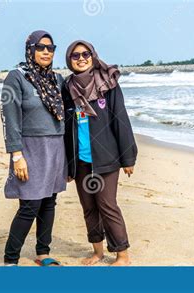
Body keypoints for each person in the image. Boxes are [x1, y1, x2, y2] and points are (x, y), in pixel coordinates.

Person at [62, 40, 138, 266]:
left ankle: (122, 254)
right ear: (69, 60)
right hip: (81, 160)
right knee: (89, 207)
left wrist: (128, 157)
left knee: (107, 205)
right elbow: (66, 129)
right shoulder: (68, 87)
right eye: (75, 56)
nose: (81, 58)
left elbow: (120, 120)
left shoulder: (108, 83)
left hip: (106, 159)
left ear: (93, 55)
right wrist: (69, 164)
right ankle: (97, 252)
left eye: (85, 54)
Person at [0, 30, 66, 266]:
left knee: (49, 201)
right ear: (30, 50)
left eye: (50, 48)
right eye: (40, 47)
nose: (46, 52)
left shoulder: (57, 80)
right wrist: (17, 155)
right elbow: (10, 117)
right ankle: (10, 260)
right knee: (30, 205)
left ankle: (43, 253)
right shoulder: (16, 77)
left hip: (56, 148)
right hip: (30, 149)